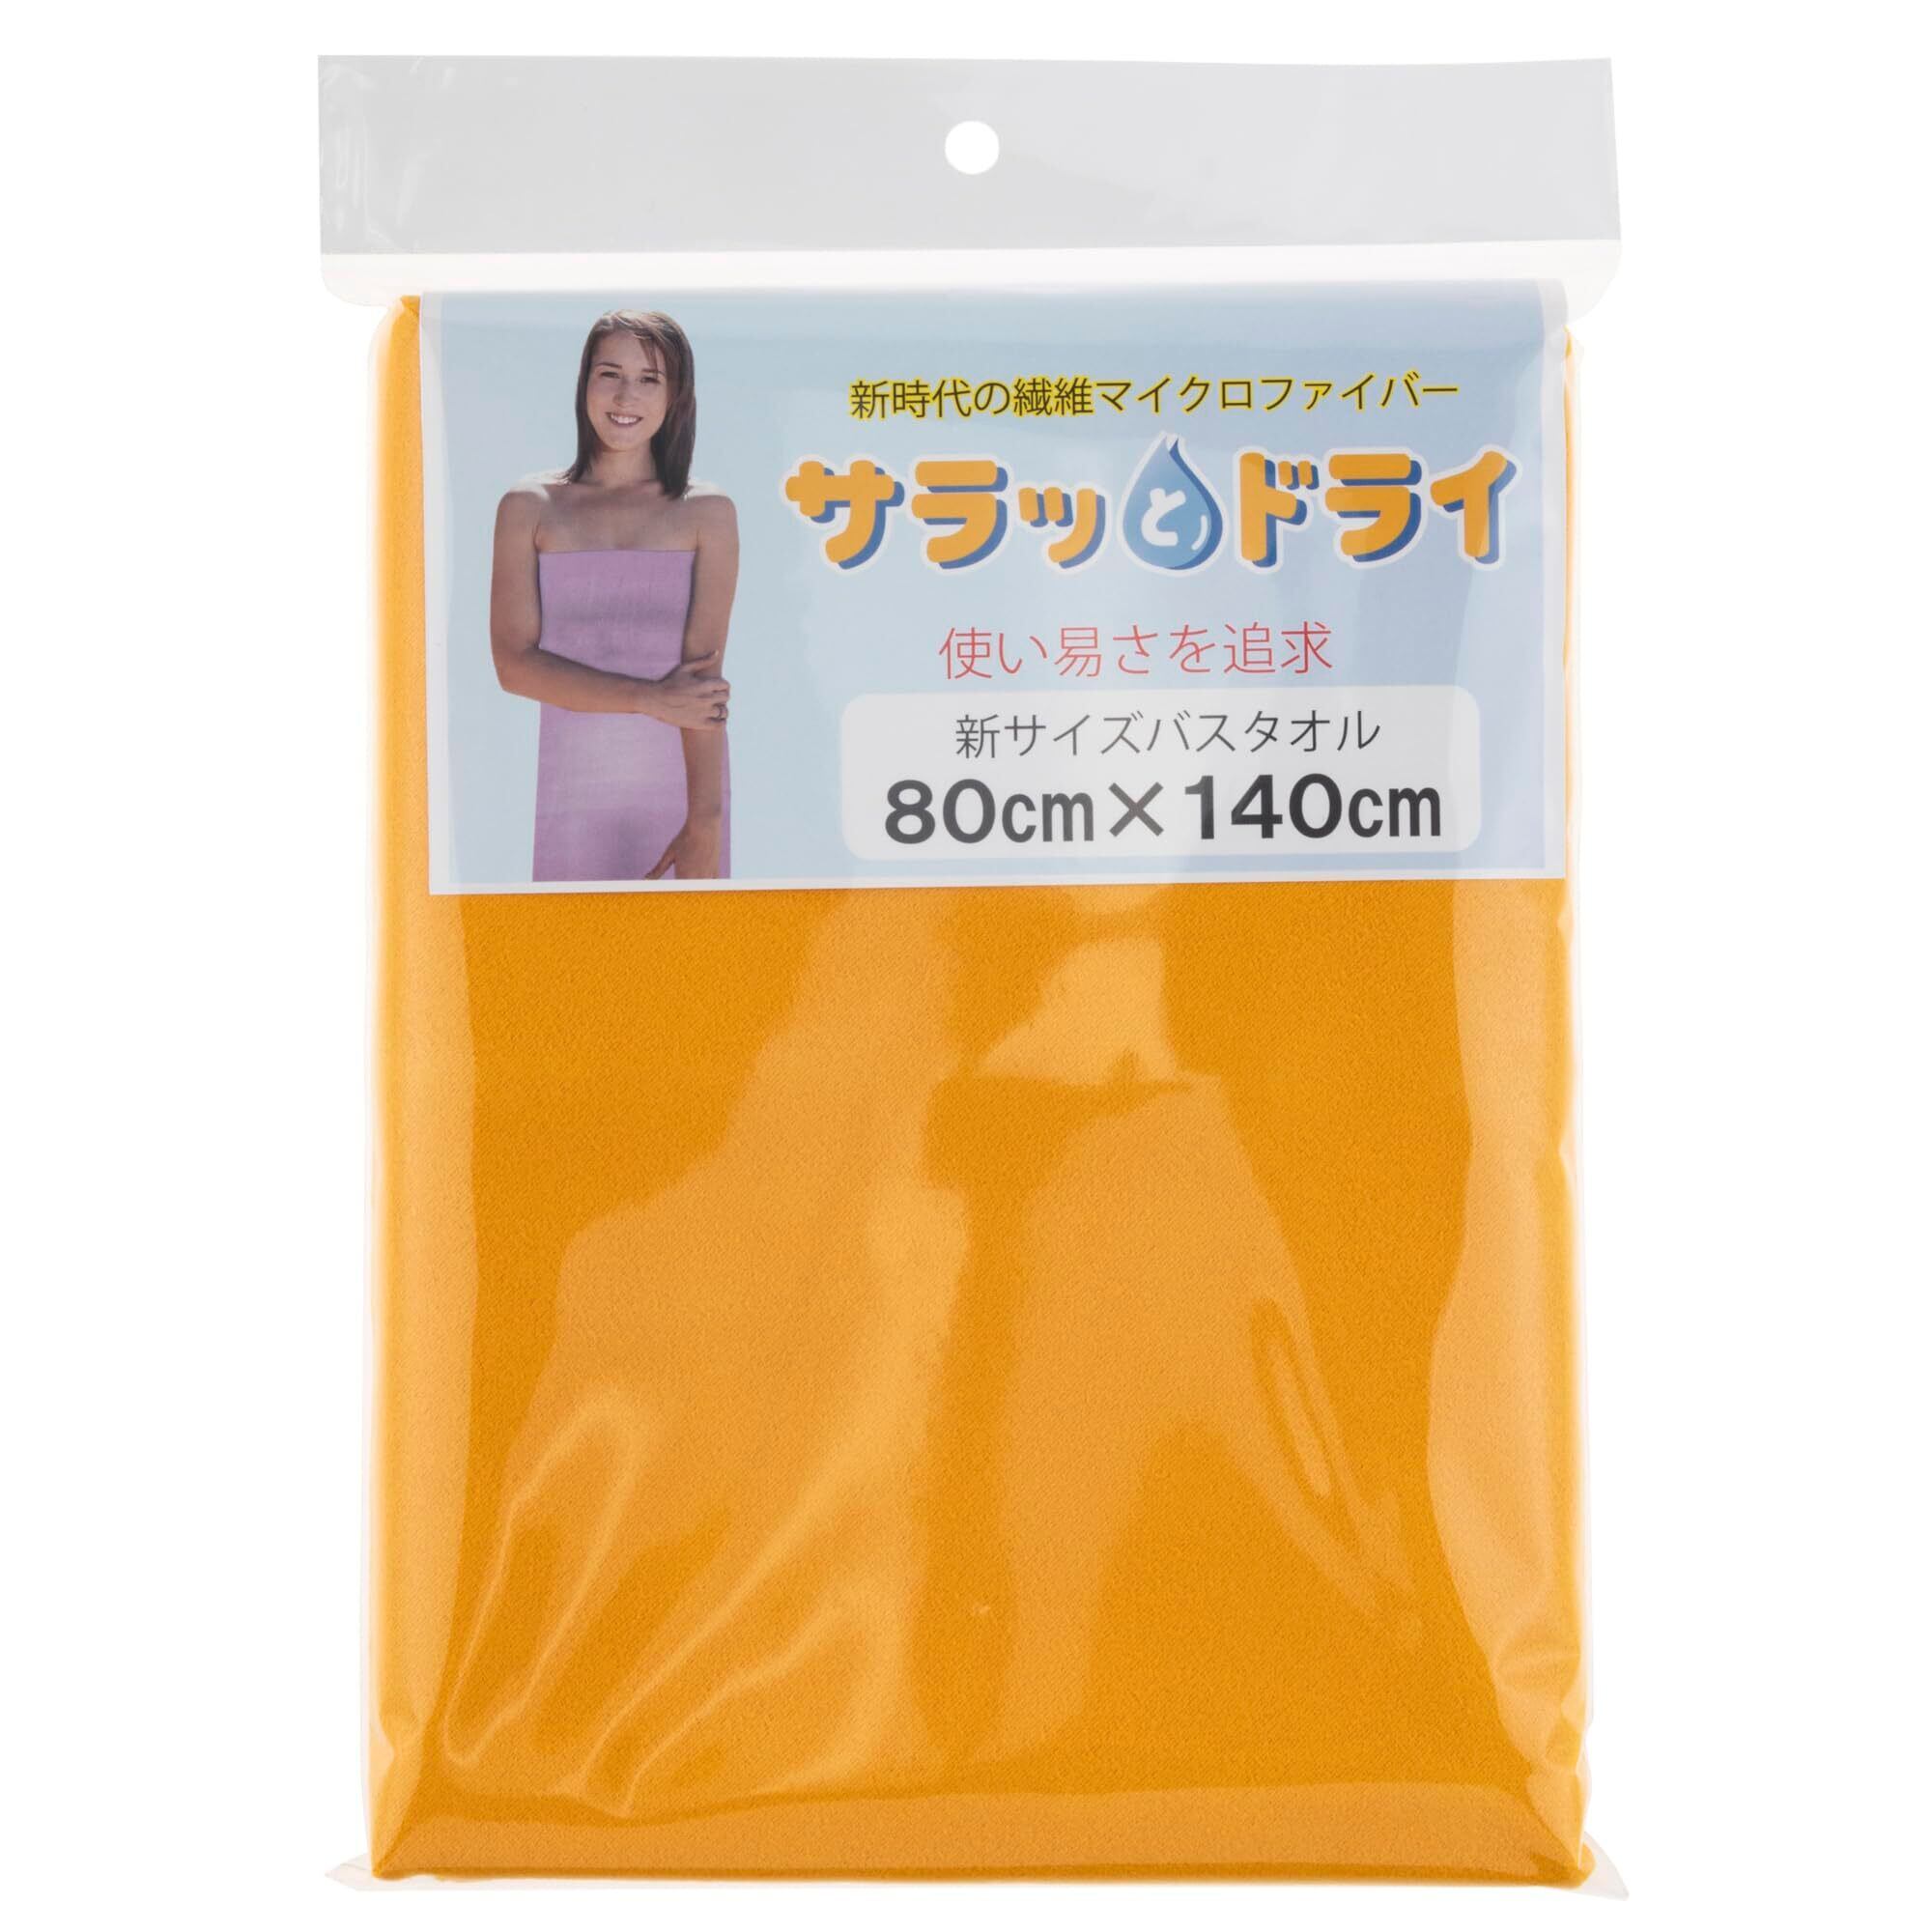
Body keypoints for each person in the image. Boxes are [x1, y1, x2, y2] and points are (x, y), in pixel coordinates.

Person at [490, 310, 737, 881]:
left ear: (675, 396)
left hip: (681, 796)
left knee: (694, 942)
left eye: (650, 378)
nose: (627, 396)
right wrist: (650, 699)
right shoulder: (529, 507)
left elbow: (704, 680)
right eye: (610, 374)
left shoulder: (707, 512)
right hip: (571, 795)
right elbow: (514, 666)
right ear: (585, 383)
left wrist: (706, 820)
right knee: (571, 941)